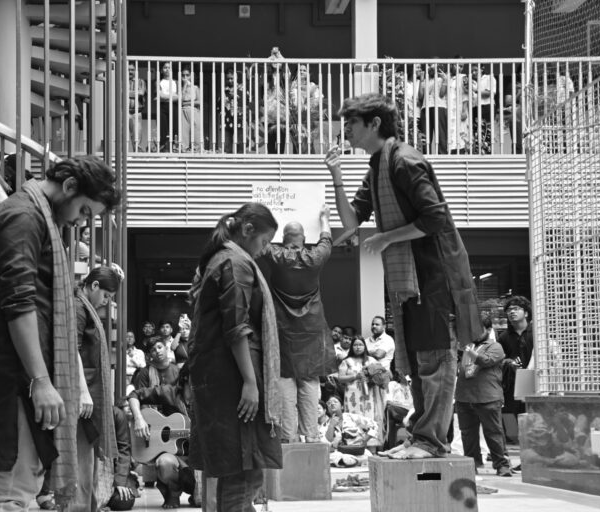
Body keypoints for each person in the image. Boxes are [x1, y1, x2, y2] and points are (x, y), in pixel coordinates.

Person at [0, 156, 120, 511]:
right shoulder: (24, 217)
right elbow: (19, 303)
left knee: (20, 489)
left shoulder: (32, 216)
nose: (81, 222)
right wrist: (41, 381)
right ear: (69, 186)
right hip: (16, 381)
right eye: (84, 211)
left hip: (17, 379)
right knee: (11, 494)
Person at [325, 93, 482, 459]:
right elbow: (351, 222)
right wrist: (336, 177)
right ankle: (422, 438)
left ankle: (432, 442)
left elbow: (435, 218)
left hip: (433, 276)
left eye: (351, 122)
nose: (345, 130)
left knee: (435, 359)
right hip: (411, 281)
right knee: (418, 361)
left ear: (374, 123)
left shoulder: (404, 161)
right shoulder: (378, 166)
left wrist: (386, 238)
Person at [187, 202, 283, 509]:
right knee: (244, 472)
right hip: (233, 379)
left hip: (221, 377)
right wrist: (250, 382)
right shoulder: (235, 262)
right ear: (247, 230)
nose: (263, 250)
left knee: (241, 472)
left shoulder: (222, 258)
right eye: (264, 241)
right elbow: (237, 328)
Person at [257, 205, 336, 443]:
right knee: (310, 382)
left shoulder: (276, 255)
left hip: (283, 331)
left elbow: (261, 242)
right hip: (312, 331)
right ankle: (311, 438)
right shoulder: (315, 257)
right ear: (303, 238)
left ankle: (288, 441)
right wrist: (324, 218)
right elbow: (327, 239)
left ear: (283, 239)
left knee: (285, 382)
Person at [73, 265, 123, 511]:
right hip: (82, 396)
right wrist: (82, 391)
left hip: (90, 396)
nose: (106, 301)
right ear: (94, 285)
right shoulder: (78, 307)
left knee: (88, 468)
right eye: (105, 295)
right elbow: (72, 350)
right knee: (81, 469)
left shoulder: (86, 307)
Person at [128, 366, 196, 509]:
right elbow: (134, 395)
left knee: (201, 501)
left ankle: (196, 492)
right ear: (186, 377)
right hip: (173, 456)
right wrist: (139, 418)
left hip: (197, 459)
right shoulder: (169, 393)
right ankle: (173, 492)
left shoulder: (207, 398)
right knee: (164, 463)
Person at [455, 315, 513, 476]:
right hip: (464, 397)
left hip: (488, 397)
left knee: (494, 432)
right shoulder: (468, 346)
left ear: (488, 330)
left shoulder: (495, 346)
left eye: (478, 329)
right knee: (468, 433)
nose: (474, 332)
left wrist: (469, 351)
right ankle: (472, 463)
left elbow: (485, 361)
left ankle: (501, 465)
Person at [497, 295, 533, 456]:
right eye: (509, 310)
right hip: (511, 381)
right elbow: (499, 358)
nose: (512, 312)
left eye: (516, 309)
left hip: (533, 379)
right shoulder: (504, 337)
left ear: (526, 313)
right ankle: (514, 441)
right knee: (508, 412)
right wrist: (508, 362)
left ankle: (530, 443)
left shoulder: (535, 332)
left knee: (530, 411)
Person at [418, 63, 449, 154]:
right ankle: (426, 156)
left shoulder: (441, 79)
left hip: (439, 107)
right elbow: (421, 96)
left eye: (431, 65)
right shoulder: (425, 80)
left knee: (441, 134)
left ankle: (442, 156)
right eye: (428, 65)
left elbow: (442, 94)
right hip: (425, 107)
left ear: (437, 66)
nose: (429, 67)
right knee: (425, 135)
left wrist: (445, 80)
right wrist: (421, 80)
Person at [220, 68, 249, 154]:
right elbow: (219, 105)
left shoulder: (242, 88)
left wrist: (236, 96)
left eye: (231, 78)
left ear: (236, 77)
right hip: (226, 120)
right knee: (227, 146)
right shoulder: (224, 90)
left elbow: (247, 102)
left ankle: (241, 162)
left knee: (240, 145)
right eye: (228, 78)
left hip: (239, 120)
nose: (230, 80)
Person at [158, 62, 179, 152]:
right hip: (162, 107)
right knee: (163, 128)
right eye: (165, 67)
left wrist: (165, 97)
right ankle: (163, 148)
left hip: (174, 106)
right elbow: (160, 96)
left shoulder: (176, 82)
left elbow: (178, 97)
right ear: (161, 70)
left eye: (169, 67)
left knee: (175, 128)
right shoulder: (159, 82)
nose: (167, 69)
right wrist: (172, 96)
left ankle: (174, 148)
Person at [180, 70, 203, 152]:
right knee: (183, 132)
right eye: (183, 75)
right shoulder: (181, 88)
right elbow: (180, 101)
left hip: (194, 111)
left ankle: (197, 150)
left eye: (187, 75)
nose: (185, 77)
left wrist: (186, 103)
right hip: (183, 111)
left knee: (196, 131)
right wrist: (185, 86)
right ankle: (184, 149)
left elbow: (199, 102)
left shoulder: (195, 88)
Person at [128, 62, 146, 152]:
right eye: (128, 69)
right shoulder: (122, 80)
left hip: (137, 112)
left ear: (136, 71)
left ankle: (136, 153)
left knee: (137, 135)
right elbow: (121, 92)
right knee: (125, 135)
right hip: (125, 111)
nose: (130, 71)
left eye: (132, 70)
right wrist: (136, 92)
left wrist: (128, 93)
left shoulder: (141, 81)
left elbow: (141, 93)